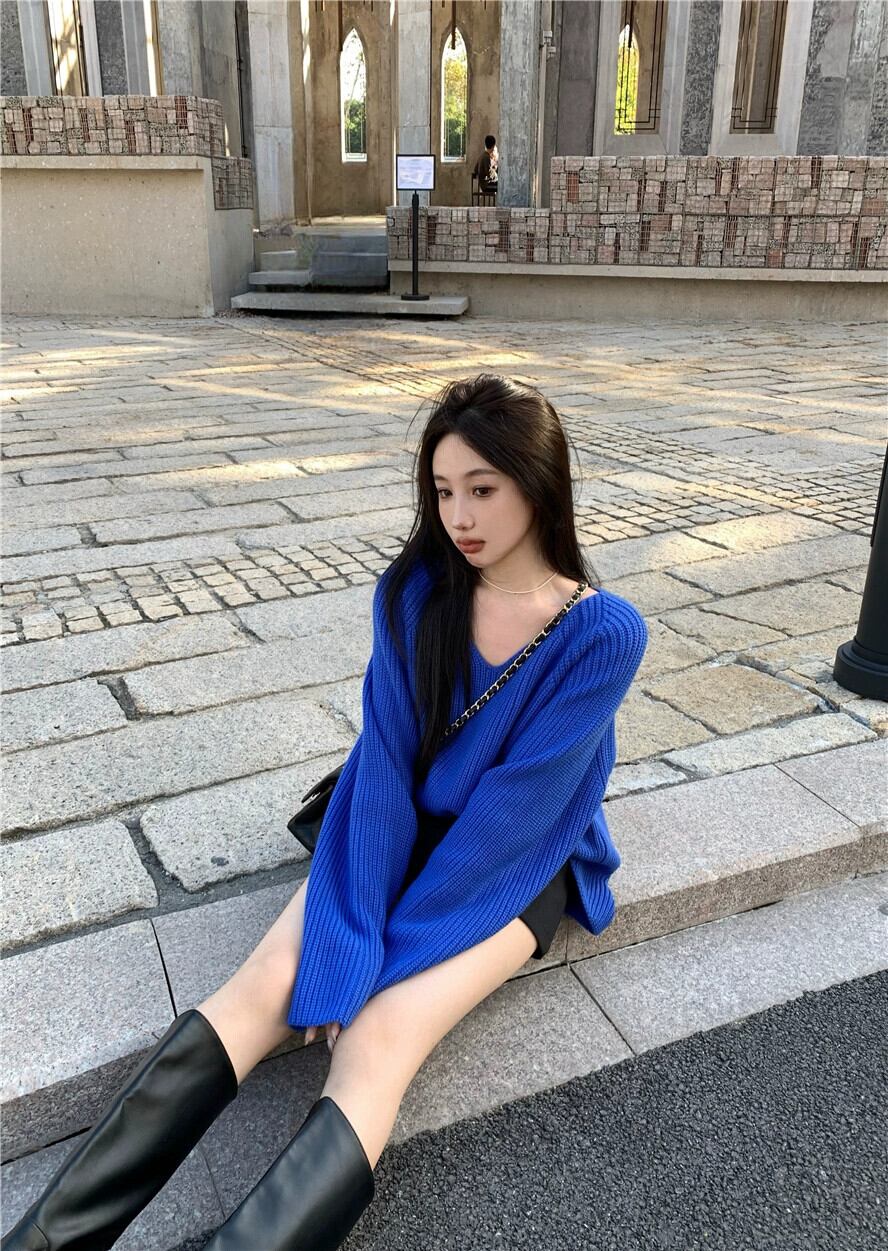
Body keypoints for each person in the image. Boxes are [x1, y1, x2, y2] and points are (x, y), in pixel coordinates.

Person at [3, 374, 648, 1251]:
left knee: (381, 1035)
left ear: (538, 484)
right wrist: (346, 938)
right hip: (395, 819)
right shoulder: (415, 592)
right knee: (261, 985)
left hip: (521, 861)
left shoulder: (602, 634)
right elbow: (379, 772)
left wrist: (373, 962)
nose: (459, 516)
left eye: (483, 489)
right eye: (443, 491)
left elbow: (509, 825)